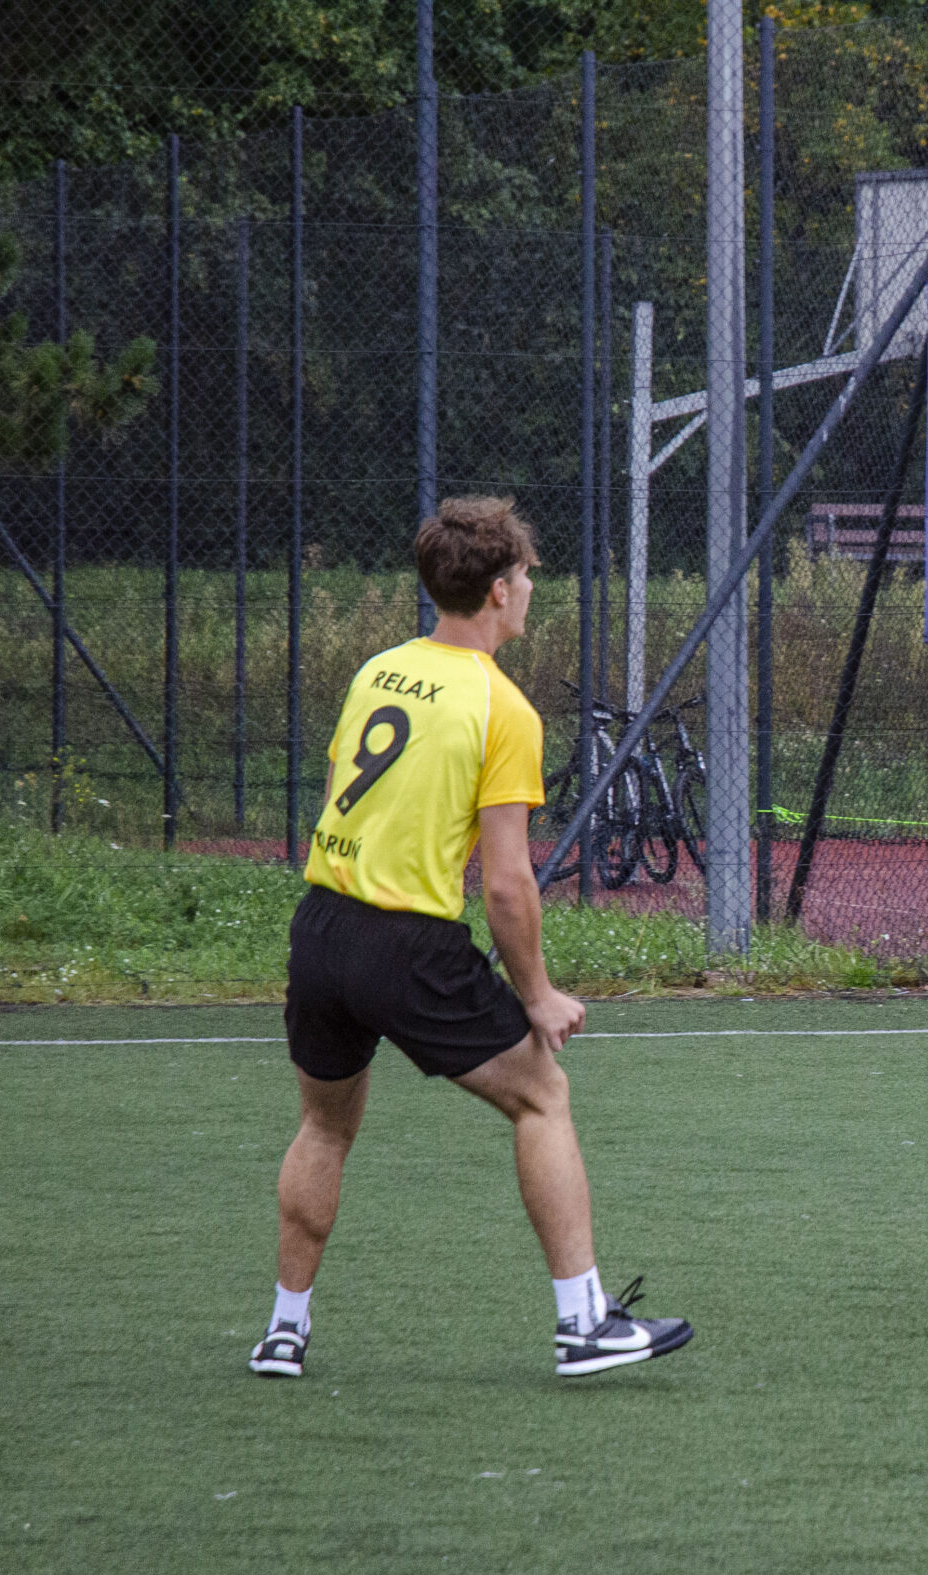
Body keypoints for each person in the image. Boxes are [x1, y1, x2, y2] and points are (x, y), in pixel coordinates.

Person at [251, 496, 690, 1381]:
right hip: (407, 945)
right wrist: (539, 996)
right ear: (497, 590)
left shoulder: (378, 671)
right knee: (543, 1097)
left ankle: (283, 1333)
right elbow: (507, 885)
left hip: (321, 928)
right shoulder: (503, 707)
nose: (530, 590)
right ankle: (583, 1325)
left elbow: (340, 799)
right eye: (525, 576)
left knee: (323, 1129)